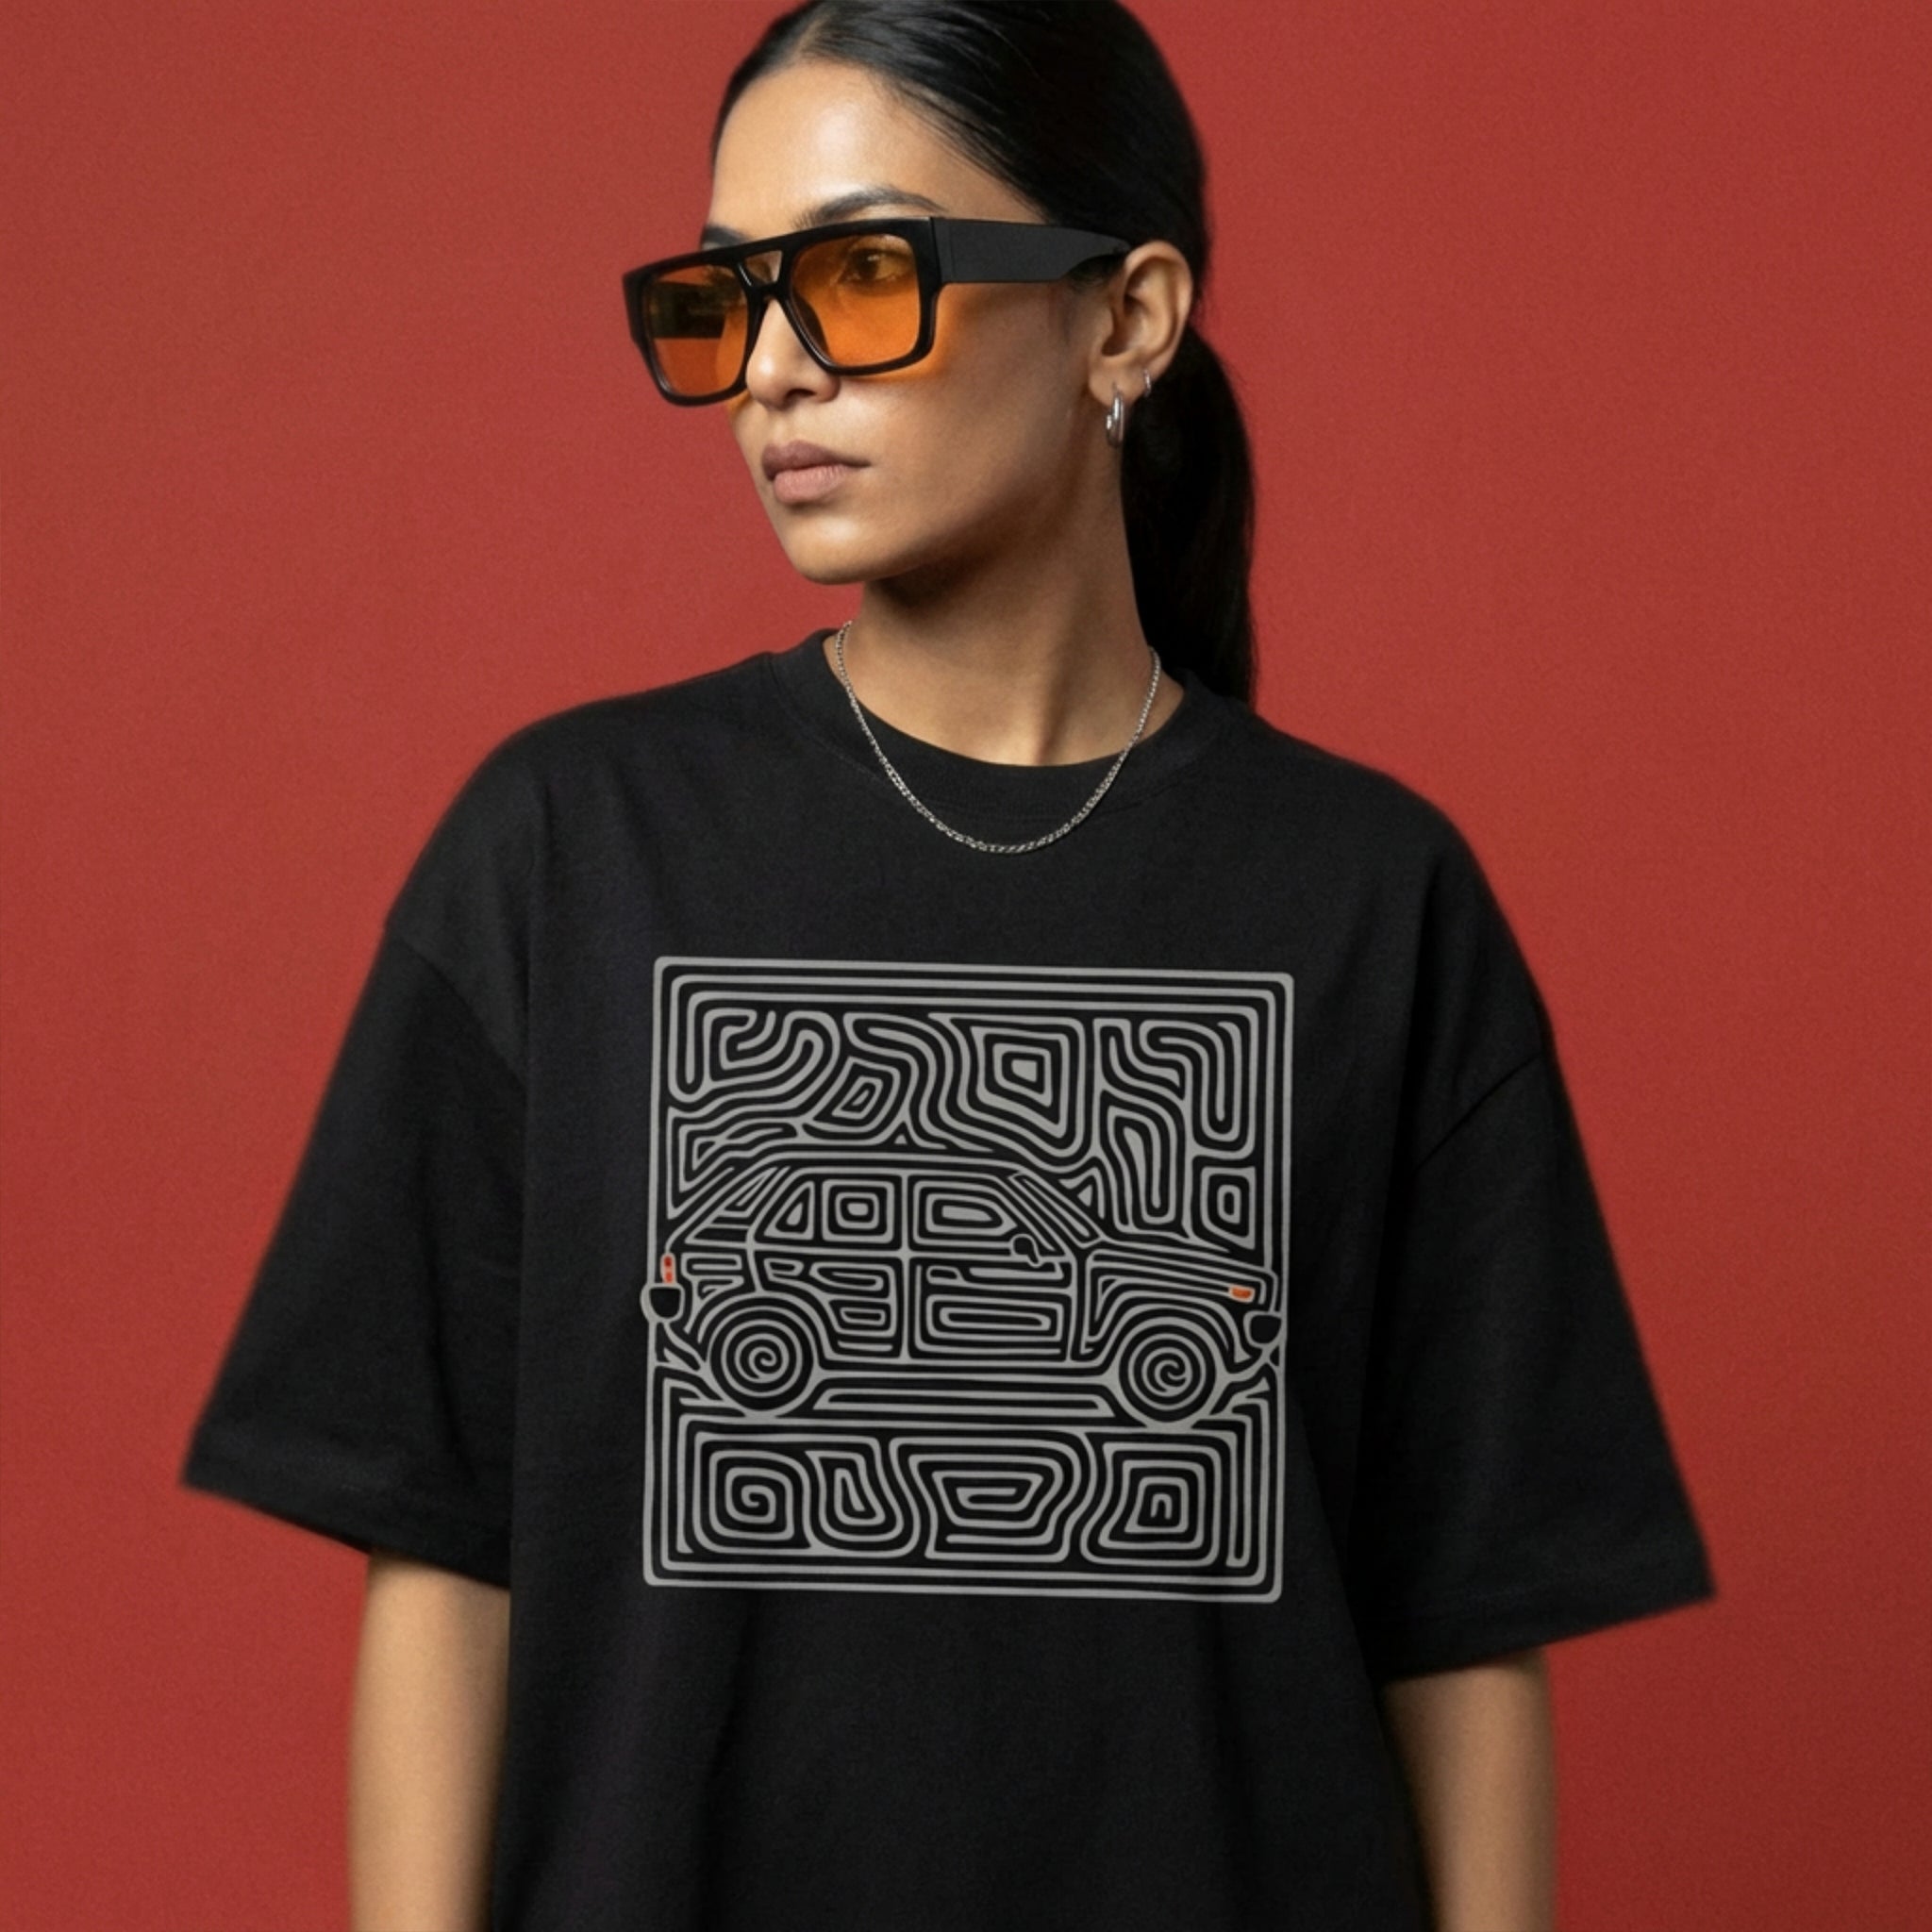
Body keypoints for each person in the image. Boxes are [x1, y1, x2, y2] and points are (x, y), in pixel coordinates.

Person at [179, 3, 1717, 1927]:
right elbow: (442, 1563)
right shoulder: (567, 854)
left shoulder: (1370, 900)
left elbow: (1463, 1624)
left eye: (858, 274)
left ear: (1125, 321)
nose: (771, 367)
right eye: (727, 298)